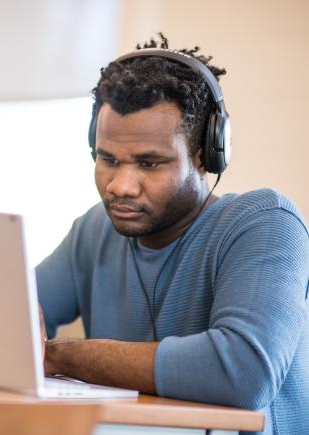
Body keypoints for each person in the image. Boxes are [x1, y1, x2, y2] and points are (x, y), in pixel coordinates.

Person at [36, 34, 308, 435]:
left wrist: (60, 357)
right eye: (108, 159)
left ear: (205, 156)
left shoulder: (264, 223)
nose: (121, 185)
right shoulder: (94, 229)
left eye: (149, 163)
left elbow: (243, 374)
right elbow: (8, 319)